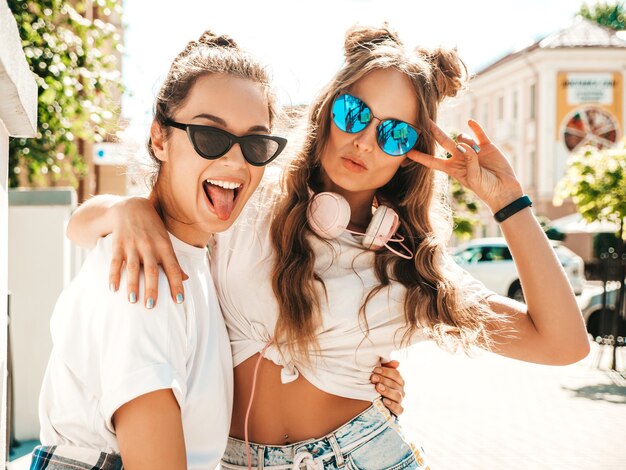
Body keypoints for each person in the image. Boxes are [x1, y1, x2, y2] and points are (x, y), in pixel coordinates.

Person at [67, 24, 590, 469]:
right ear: (327, 110)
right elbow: (80, 227)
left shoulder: (413, 267)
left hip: (363, 452)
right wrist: (127, 209)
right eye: (355, 114)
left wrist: (510, 203)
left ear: (411, 155)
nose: (364, 141)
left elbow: (564, 345)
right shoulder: (245, 196)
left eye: (394, 134)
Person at [31, 31, 288, 470]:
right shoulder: (144, 275)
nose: (236, 161)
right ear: (159, 139)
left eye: (256, 143)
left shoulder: (200, 255)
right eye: (210, 135)